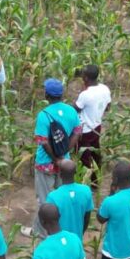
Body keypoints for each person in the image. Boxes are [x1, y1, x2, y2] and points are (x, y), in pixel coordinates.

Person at [27, 78, 81, 238]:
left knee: (44, 200)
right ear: (62, 94)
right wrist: (63, 153)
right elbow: (77, 132)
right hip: (65, 163)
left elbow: (43, 141)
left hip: (45, 163)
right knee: (61, 196)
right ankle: (61, 227)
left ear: (46, 95)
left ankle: (42, 233)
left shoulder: (44, 115)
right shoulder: (71, 111)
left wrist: (54, 158)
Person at [45, 160, 93, 259]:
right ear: (75, 173)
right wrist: (80, 232)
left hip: (58, 242)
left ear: (59, 174)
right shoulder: (85, 191)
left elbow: (49, 221)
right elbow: (87, 216)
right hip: (76, 240)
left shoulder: (53, 196)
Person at [74, 65, 111, 190]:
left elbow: (76, 109)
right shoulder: (104, 88)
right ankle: (96, 181)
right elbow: (108, 107)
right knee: (95, 153)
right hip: (97, 126)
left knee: (84, 158)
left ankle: (85, 184)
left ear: (85, 78)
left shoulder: (85, 94)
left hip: (84, 130)